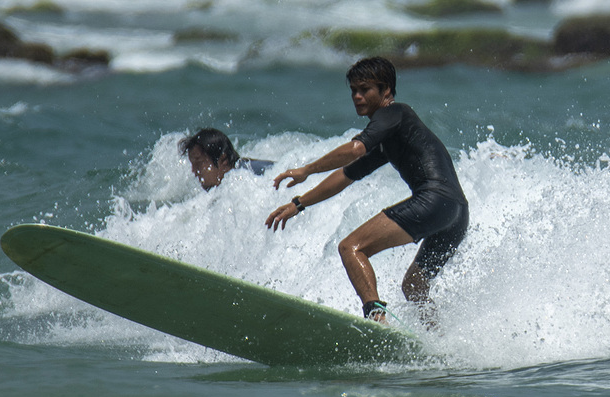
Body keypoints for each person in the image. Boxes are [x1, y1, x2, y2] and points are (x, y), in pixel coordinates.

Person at [265, 57, 469, 324]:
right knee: (414, 286)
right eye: (353, 90)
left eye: (365, 89)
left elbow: (355, 149)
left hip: (434, 199)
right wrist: (299, 204)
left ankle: (377, 321)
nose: (357, 96)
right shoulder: (392, 136)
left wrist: (307, 170)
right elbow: (346, 175)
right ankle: (438, 340)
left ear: (386, 91)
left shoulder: (393, 113)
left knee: (351, 248)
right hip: (457, 213)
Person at [180, 127, 271, 191]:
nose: (194, 170)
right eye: (192, 164)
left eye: (199, 163)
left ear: (223, 160)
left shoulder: (250, 176)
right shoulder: (220, 188)